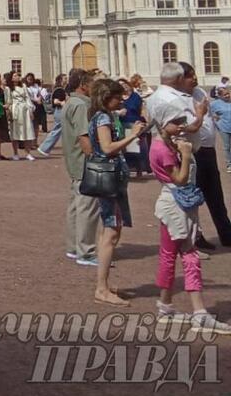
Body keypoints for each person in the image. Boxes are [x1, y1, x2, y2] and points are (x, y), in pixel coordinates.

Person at [149, 104, 231, 332]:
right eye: (177, 122)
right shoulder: (162, 149)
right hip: (176, 204)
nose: (181, 126)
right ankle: (199, 312)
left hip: (174, 203)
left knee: (171, 254)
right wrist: (185, 155)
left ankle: (166, 306)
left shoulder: (164, 143)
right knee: (189, 254)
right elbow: (181, 179)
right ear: (164, 122)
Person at [148, 62, 231, 249]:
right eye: (190, 76)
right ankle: (195, 238)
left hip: (207, 148)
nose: (194, 79)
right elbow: (187, 125)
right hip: (189, 151)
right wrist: (200, 116)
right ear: (180, 79)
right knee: (191, 195)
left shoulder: (199, 92)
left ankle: (225, 232)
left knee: (215, 194)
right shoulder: (175, 98)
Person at [81, 78, 143, 306]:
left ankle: (104, 283)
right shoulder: (104, 117)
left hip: (111, 179)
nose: (121, 100)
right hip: (109, 180)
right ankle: (101, 287)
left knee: (108, 231)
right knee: (111, 233)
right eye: (118, 97)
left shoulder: (102, 116)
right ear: (108, 98)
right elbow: (107, 148)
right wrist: (133, 135)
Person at [62, 68, 100, 266]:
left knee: (76, 206)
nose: (96, 87)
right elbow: (83, 136)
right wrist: (95, 159)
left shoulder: (72, 102)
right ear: (83, 85)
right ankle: (86, 251)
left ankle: (73, 246)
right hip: (84, 162)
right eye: (93, 83)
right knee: (87, 207)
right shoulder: (81, 105)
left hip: (74, 161)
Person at [35, 75, 69, 157]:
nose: (66, 80)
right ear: (60, 80)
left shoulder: (62, 89)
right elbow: (55, 101)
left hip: (60, 111)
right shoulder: (59, 90)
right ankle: (44, 148)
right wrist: (62, 103)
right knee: (56, 131)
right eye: (65, 78)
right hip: (60, 111)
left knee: (62, 131)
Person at [7, 72, 36, 160]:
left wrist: (31, 110)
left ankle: (28, 152)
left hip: (25, 110)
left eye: (18, 75)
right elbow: (8, 101)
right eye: (15, 76)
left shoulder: (23, 86)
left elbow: (27, 98)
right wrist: (9, 113)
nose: (17, 77)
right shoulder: (9, 88)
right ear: (11, 78)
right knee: (15, 132)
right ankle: (15, 153)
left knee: (28, 130)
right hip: (15, 110)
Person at [209, 89, 231, 172]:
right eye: (225, 94)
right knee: (227, 146)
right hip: (224, 128)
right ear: (220, 96)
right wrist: (214, 118)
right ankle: (229, 164)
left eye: (228, 93)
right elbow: (208, 112)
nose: (227, 96)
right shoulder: (215, 104)